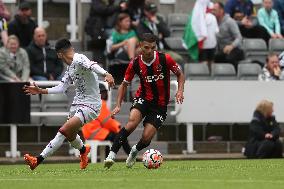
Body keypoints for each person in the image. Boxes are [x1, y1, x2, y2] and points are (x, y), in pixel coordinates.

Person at [23, 38, 115, 171]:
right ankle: (83, 150)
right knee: (70, 136)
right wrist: (41, 90)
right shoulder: (70, 68)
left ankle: (37, 160)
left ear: (59, 54)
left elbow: (92, 65)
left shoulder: (79, 58)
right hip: (77, 104)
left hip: (91, 105)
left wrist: (106, 74)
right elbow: (61, 88)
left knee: (63, 131)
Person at [104, 33, 185, 169]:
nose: (150, 51)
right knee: (132, 122)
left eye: (153, 48)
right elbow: (124, 84)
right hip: (143, 98)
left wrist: (180, 90)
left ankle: (135, 150)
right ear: (141, 46)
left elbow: (180, 75)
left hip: (160, 105)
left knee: (146, 137)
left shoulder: (165, 59)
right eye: (147, 47)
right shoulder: (135, 63)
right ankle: (111, 155)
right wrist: (118, 105)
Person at [82, 83, 131, 155]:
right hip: (95, 132)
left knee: (110, 136)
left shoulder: (90, 102)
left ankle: (107, 157)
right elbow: (107, 121)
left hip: (89, 132)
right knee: (121, 136)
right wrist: (118, 127)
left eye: (104, 92)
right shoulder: (100, 103)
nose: (103, 94)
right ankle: (130, 155)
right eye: (101, 92)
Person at [213, 2, 244, 69]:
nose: (213, 12)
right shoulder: (213, 22)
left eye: (215, 10)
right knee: (215, 58)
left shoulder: (230, 22)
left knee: (229, 59)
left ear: (221, 11)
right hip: (223, 51)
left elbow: (239, 37)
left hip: (236, 49)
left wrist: (231, 46)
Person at [199, 3, 219, 71]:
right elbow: (216, 31)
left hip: (203, 45)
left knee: (203, 63)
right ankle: (212, 76)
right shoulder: (213, 17)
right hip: (212, 44)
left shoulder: (200, 17)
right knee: (211, 63)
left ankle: (203, 75)